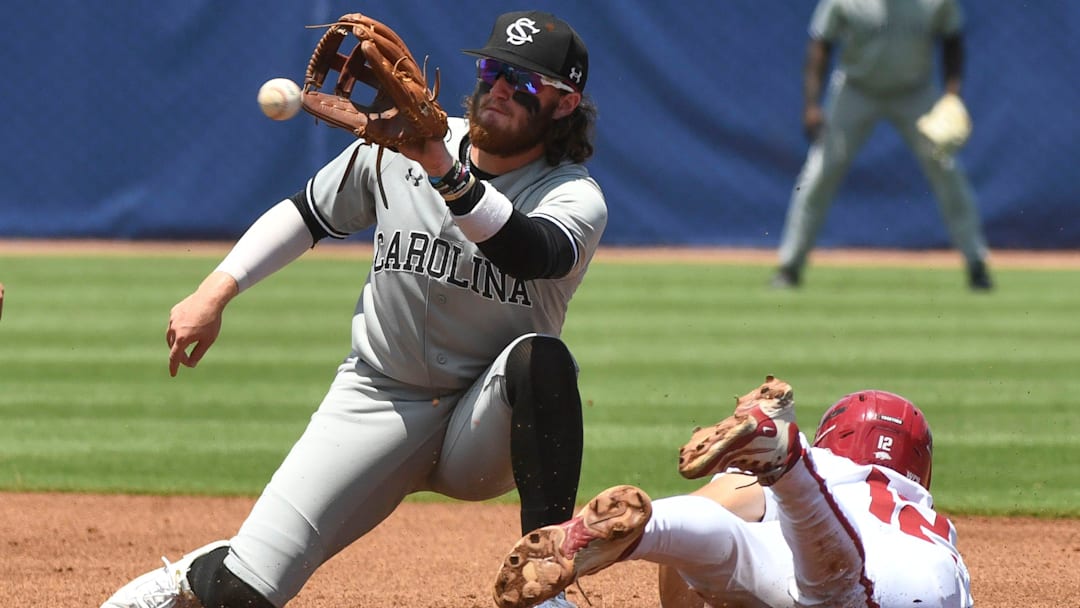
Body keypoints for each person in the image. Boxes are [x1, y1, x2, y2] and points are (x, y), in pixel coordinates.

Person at [102, 10, 603, 608]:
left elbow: (530, 251)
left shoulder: (572, 194)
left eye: (524, 82)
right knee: (244, 593)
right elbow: (308, 213)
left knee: (542, 360)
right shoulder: (410, 142)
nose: (500, 87)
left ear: (566, 104)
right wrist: (215, 291)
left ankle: (546, 589)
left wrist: (443, 169)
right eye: (495, 68)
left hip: (484, 415)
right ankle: (201, 572)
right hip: (378, 397)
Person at [493, 376, 974, 608]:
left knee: (731, 544)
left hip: (802, 561)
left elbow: (716, 505)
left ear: (833, 438)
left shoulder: (834, 466)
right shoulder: (927, 519)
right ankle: (787, 468)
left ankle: (649, 531)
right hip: (916, 588)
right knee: (833, 587)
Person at [772, 0, 993, 291]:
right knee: (818, 173)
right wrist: (811, 104)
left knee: (947, 170)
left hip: (915, 91)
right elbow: (820, 44)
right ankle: (790, 266)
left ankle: (976, 264)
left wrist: (952, 96)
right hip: (856, 89)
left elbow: (952, 39)